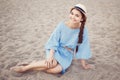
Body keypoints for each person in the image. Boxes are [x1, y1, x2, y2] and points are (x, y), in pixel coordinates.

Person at [10, 3, 93, 74]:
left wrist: (84, 65)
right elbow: (54, 41)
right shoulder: (62, 25)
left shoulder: (83, 30)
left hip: (67, 54)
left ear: (82, 19)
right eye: (72, 13)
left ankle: (35, 64)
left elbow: (83, 48)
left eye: (77, 15)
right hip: (56, 49)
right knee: (52, 64)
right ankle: (25, 68)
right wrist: (51, 55)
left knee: (53, 70)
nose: (73, 17)